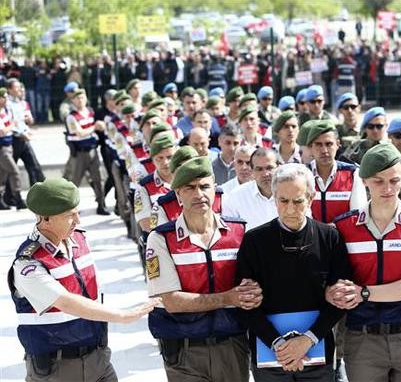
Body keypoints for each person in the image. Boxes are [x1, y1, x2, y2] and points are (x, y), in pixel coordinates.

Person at [8, 178, 159, 381]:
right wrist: (122, 316)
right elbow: (65, 302)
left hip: (98, 359)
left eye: (77, 212)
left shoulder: (79, 240)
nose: (78, 221)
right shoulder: (28, 263)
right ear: (45, 218)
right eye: (70, 215)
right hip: (57, 370)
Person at [327, 143, 401, 382]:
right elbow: (331, 281)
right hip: (362, 341)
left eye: (394, 180)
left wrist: (363, 293)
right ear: (364, 180)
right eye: (378, 181)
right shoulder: (343, 227)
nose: (387, 188)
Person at [146, 156, 262, 382]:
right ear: (178, 195)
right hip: (184, 349)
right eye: (190, 188)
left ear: (215, 191)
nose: (199, 194)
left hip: (232, 345)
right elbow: (172, 301)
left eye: (205, 186)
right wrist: (228, 298)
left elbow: (253, 284)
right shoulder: (161, 239)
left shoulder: (239, 232)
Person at [236, 163, 350, 381]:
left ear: (311, 197)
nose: (290, 209)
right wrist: (279, 345)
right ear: (274, 197)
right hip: (269, 353)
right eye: (283, 201)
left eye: (298, 201)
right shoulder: (254, 241)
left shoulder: (330, 238)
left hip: (317, 350)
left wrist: (308, 339)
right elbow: (245, 303)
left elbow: (340, 299)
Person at [305, 120, 366, 224]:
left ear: (338, 144)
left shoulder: (353, 174)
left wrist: (334, 229)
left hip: (342, 238)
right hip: (310, 238)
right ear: (311, 147)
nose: (324, 150)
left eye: (329, 144)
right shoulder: (302, 174)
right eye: (319, 145)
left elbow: (357, 214)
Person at [64, 89, 109, 215]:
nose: (80, 100)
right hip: (79, 153)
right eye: (77, 98)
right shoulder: (71, 116)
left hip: (92, 150)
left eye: (82, 97)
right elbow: (80, 133)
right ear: (72, 100)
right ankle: (70, 208)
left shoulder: (90, 112)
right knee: (75, 182)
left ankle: (101, 205)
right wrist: (95, 127)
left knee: (99, 179)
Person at [5, 78, 44, 203]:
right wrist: (20, 133)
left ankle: (38, 195)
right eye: (16, 87)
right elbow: (9, 122)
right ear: (9, 89)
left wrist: (29, 121)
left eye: (20, 87)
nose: (19, 89)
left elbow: (29, 121)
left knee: (34, 166)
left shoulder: (23, 103)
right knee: (10, 170)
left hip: (25, 138)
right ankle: (8, 197)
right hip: (14, 139)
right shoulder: (6, 104)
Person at [223, 148, 278, 231]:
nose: (265, 174)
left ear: (279, 167)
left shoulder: (290, 193)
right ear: (252, 171)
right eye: (259, 169)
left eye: (269, 168)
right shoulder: (236, 197)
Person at [0, 87, 26, 209]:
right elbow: (2, 131)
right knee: (14, 171)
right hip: (2, 148)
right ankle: (18, 198)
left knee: (2, 174)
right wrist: (12, 124)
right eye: (3, 97)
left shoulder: (4, 110)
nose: (6, 99)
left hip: (8, 145)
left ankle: (1, 200)